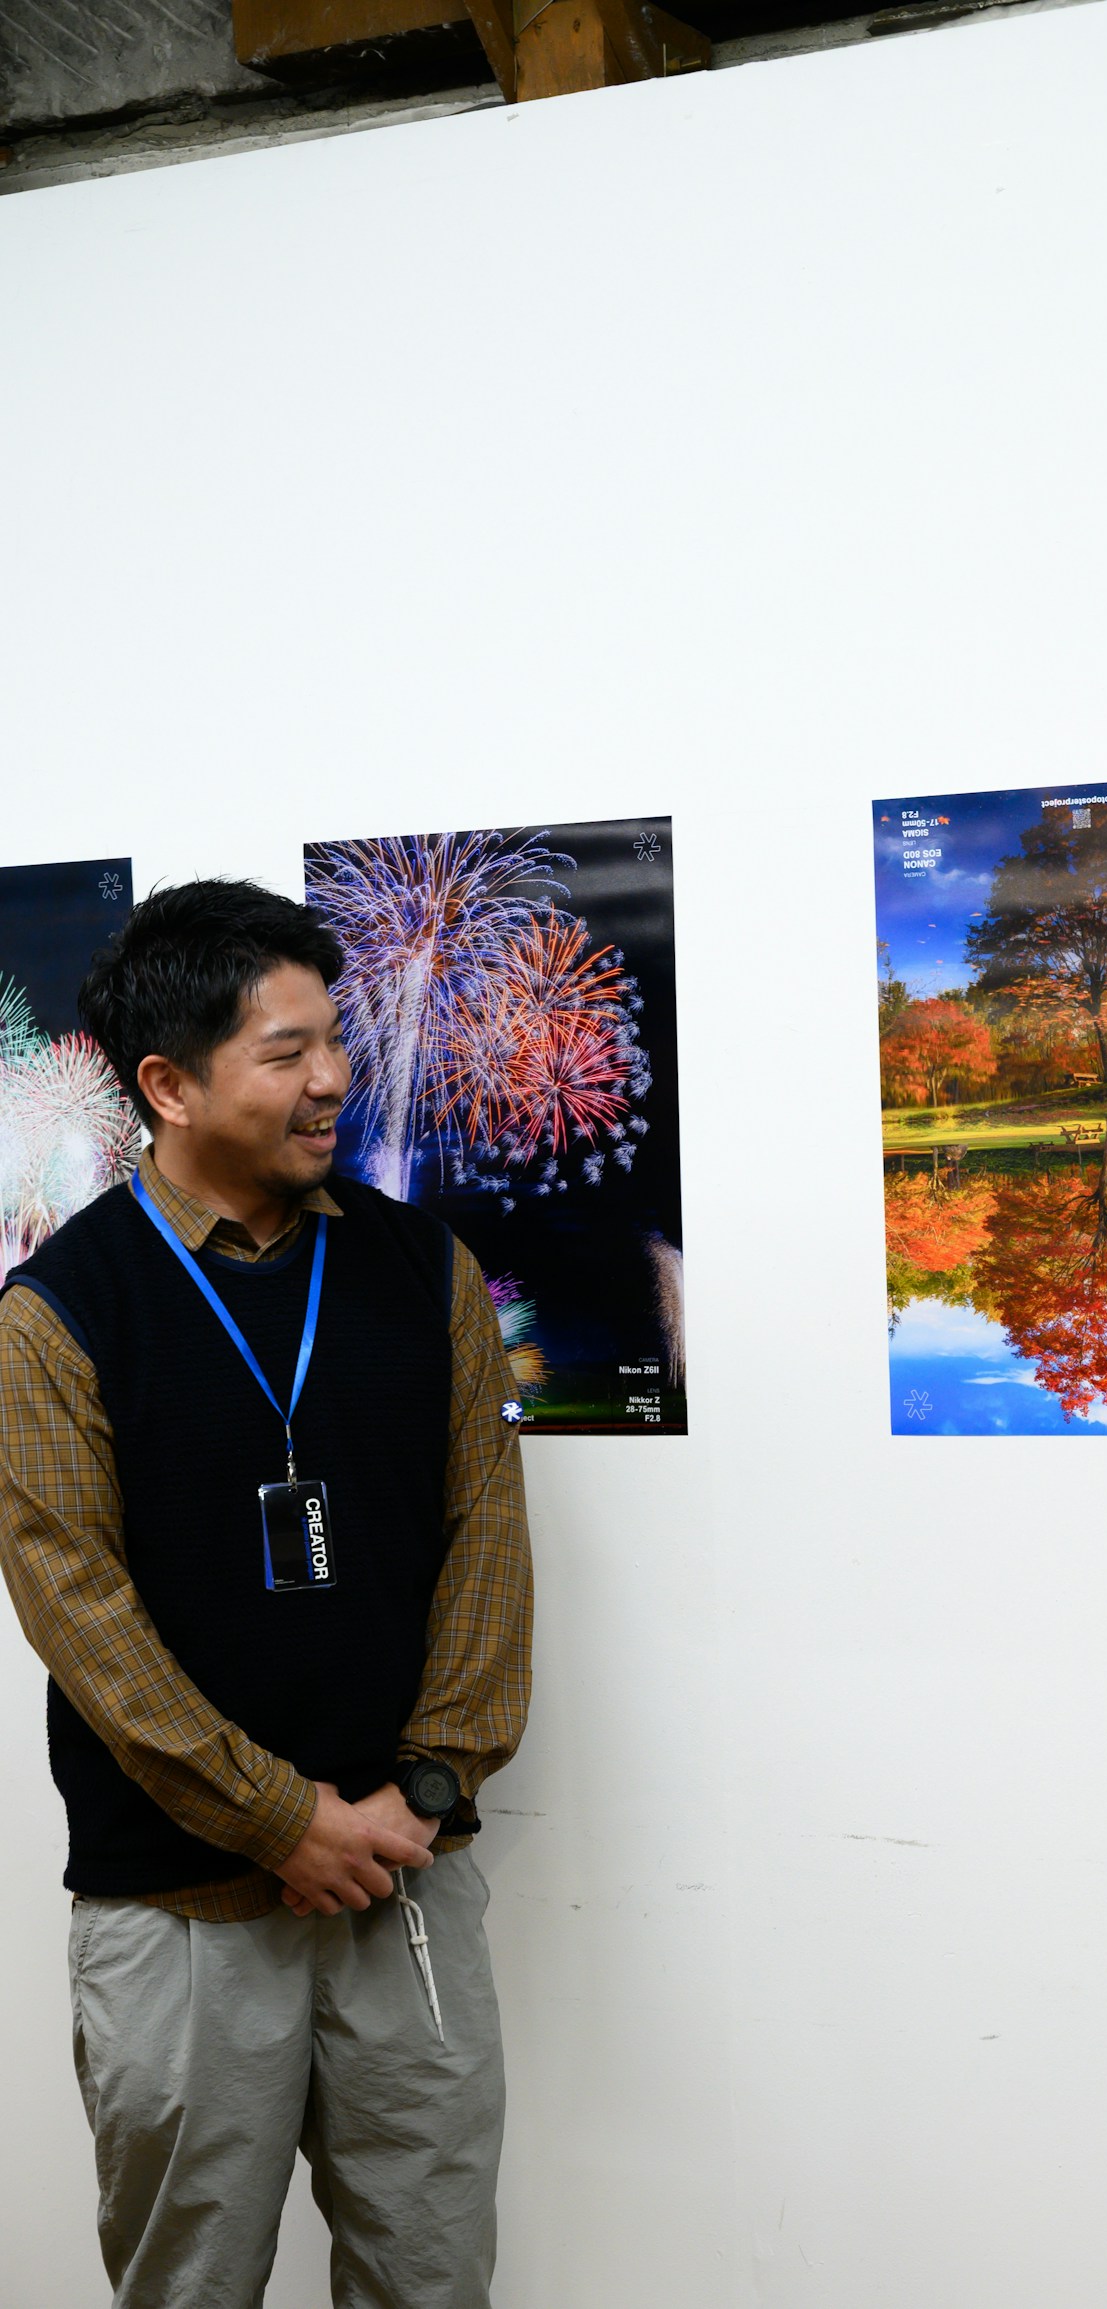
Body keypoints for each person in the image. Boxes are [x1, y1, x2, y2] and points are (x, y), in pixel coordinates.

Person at [0, 878, 533, 2309]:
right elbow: (80, 1611)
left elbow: (488, 1534)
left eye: (335, 1040)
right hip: (176, 1910)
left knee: (432, 2278)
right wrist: (280, 1816)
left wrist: (426, 1783)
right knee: (190, 2288)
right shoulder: (56, 1314)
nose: (336, 1079)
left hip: (403, 1879)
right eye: (286, 1051)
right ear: (167, 1084)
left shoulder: (424, 1267)